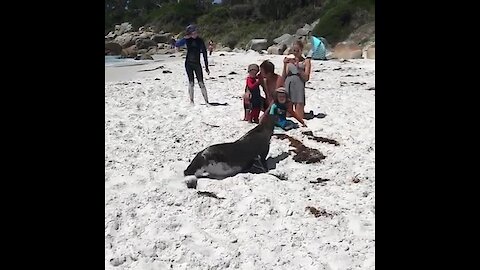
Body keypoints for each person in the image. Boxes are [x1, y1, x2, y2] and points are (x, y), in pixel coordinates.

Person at [175, 24, 210, 104]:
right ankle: (191, 101)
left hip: (197, 64)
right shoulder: (187, 40)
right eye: (193, 32)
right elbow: (177, 44)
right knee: (191, 83)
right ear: (190, 33)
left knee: (201, 83)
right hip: (188, 64)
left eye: (196, 32)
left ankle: (206, 101)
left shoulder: (200, 41)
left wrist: (206, 66)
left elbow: (204, 54)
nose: (195, 34)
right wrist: (184, 38)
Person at [282, 40, 312, 120]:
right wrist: (285, 64)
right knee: (288, 114)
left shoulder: (306, 61)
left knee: (299, 115)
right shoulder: (289, 60)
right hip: (288, 83)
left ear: (301, 50)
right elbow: (283, 76)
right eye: (293, 50)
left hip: (299, 85)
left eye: (297, 50)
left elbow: (306, 78)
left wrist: (298, 67)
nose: (295, 53)